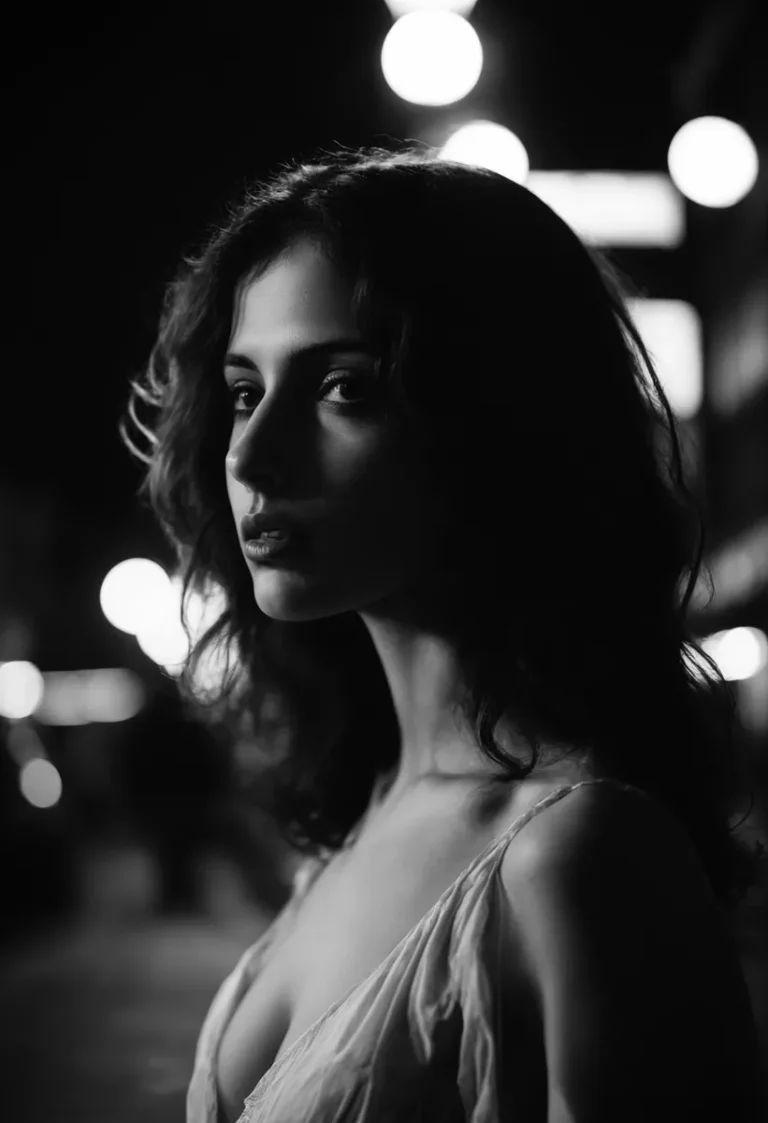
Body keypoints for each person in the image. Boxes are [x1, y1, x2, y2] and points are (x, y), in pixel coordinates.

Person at [120, 143, 766, 1122]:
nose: (251, 452)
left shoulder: (581, 858)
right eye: (246, 391)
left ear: (500, 422)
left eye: (344, 387)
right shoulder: (360, 818)